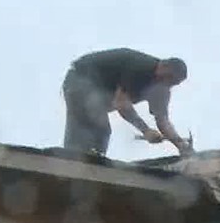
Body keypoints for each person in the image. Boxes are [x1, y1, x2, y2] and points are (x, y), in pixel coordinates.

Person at [61, 48, 194, 156]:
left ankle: (91, 162)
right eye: (168, 78)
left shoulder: (162, 88)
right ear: (162, 66)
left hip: (99, 93)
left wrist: (181, 144)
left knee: (99, 129)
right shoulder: (141, 68)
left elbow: (163, 121)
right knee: (98, 126)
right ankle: (74, 162)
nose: (167, 84)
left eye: (172, 83)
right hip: (80, 80)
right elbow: (122, 104)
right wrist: (146, 130)